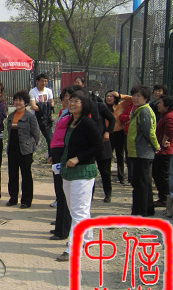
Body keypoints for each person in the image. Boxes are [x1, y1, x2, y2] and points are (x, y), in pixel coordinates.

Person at [56, 89, 102, 262]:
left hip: (83, 172)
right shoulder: (71, 121)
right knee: (77, 209)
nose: (72, 103)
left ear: (85, 104)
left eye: (76, 101)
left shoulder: (88, 123)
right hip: (68, 171)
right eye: (71, 100)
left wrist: (78, 158)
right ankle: (87, 239)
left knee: (78, 211)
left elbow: (98, 146)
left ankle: (72, 248)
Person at [127, 85, 160, 217]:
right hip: (138, 152)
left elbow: (149, 132)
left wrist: (156, 146)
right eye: (134, 95)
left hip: (142, 153)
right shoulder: (139, 110)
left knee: (141, 183)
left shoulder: (144, 111)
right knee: (143, 182)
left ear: (145, 98)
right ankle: (147, 209)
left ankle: (140, 211)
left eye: (138, 96)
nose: (135, 98)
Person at [49, 86, 77, 241]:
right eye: (66, 97)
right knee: (59, 191)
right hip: (57, 152)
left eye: (71, 98)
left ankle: (64, 229)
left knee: (64, 192)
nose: (67, 100)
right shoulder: (64, 113)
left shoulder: (74, 117)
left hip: (64, 154)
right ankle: (59, 226)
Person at [5, 90, 40, 209]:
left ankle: (26, 200)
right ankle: (13, 198)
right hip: (12, 149)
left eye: (20, 100)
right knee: (12, 175)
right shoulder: (11, 116)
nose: (17, 102)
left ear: (25, 103)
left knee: (26, 175)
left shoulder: (30, 116)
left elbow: (36, 134)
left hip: (25, 150)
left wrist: (31, 147)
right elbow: (9, 132)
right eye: (16, 100)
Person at [153, 95, 173, 207]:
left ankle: (164, 199)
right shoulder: (165, 115)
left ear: (167, 106)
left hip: (165, 151)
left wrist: (164, 140)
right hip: (161, 150)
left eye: (160, 103)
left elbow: (170, 130)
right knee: (157, 174)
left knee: (162, 176)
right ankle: (162, 197)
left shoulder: (169, 117)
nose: (158, 105)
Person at [106, 90, 130, 185]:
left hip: (120, 132)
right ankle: (107, 176)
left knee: (120, 155)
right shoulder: (104, 108)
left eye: (111, 96)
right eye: (107, 96)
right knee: (108, 155)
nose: (109, 98)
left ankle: (121, 177)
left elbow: (131, 99)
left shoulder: (121, 105)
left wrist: (120, 95)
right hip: (108, 133)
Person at [29, 74, 54, 152]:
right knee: (33, 138)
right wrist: (46, 106)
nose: (44, 83)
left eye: (46, 81)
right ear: (37, 81)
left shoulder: (48, 91)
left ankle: (51, 156)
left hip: (46, 117)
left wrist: (41, 106)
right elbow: (34, 106)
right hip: (35, 118)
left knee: (50, 138)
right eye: (42, 81)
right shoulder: (33, 92)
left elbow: (52, 103)